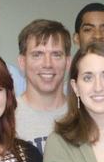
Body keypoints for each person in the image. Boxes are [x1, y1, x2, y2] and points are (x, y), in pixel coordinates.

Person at [16, 19, 71, 153]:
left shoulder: (84, 115)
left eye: (56, 55)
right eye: (37, 55)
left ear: (68, 62)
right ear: (22, 62)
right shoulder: (5, 117)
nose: (47, 64)